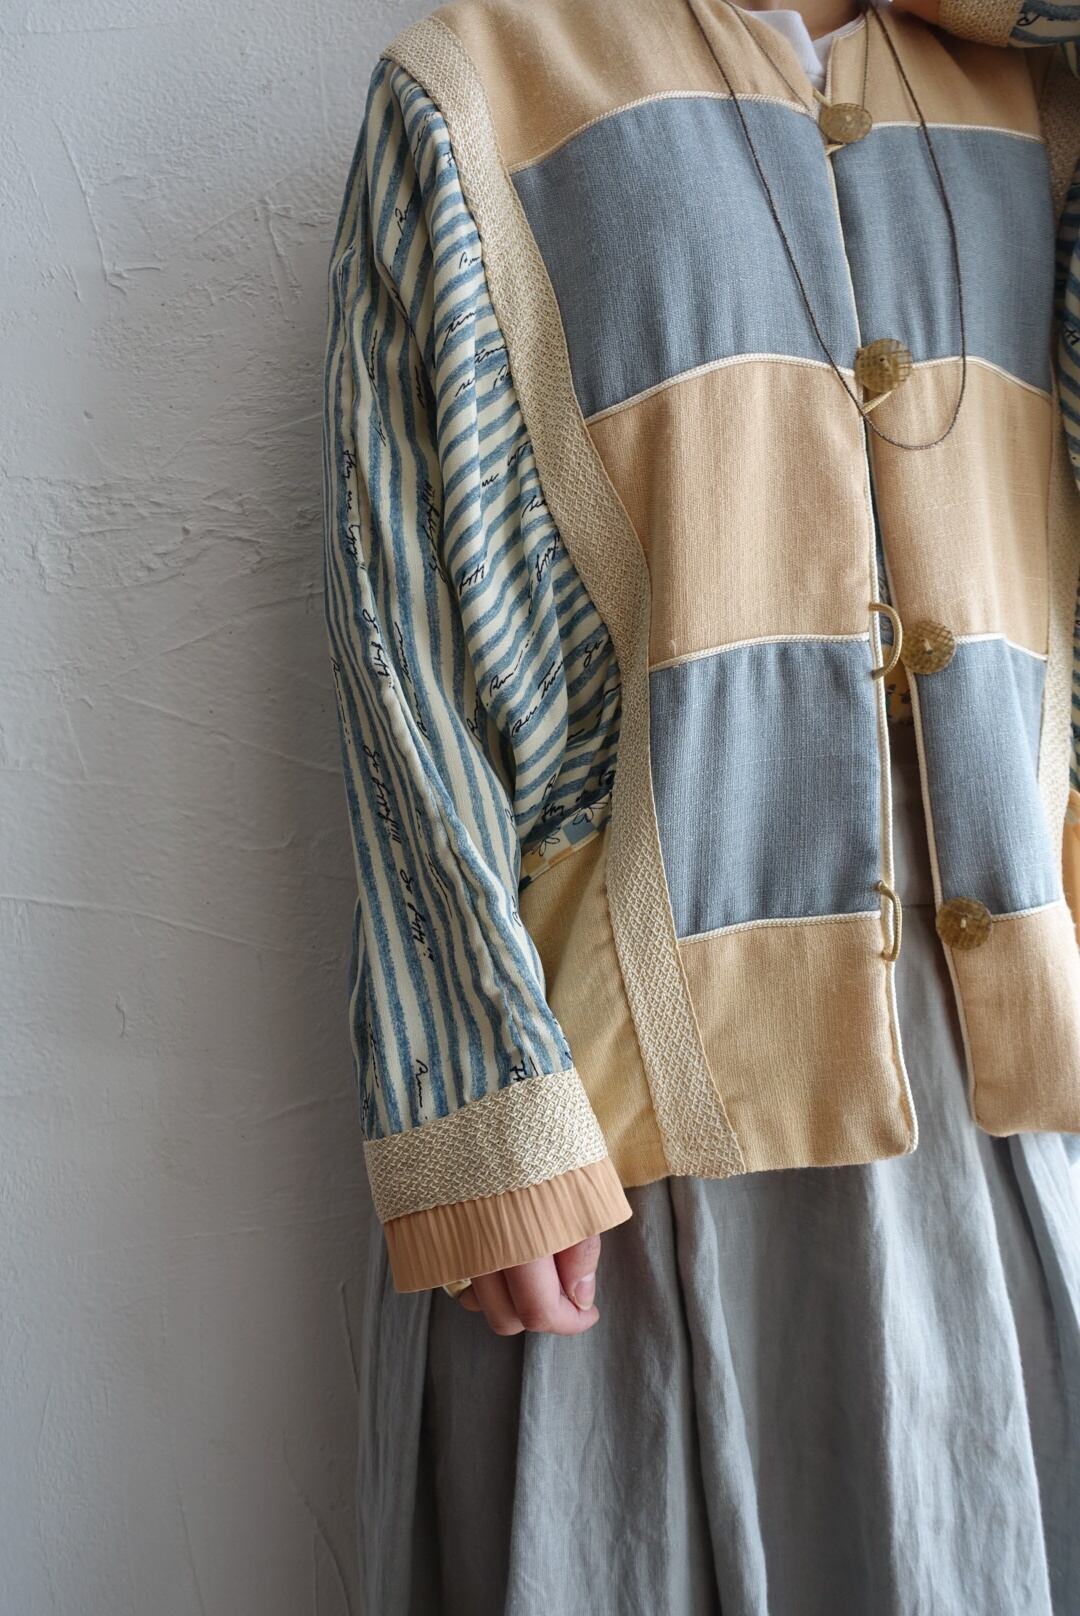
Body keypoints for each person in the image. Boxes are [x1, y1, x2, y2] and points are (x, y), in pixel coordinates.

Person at [321, 0, 1080, 1608]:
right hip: (634, 1110)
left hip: (1006, 1085)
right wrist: (486, 1102)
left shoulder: (1042, 96)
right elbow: (401, 637)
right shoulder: (484, 86)